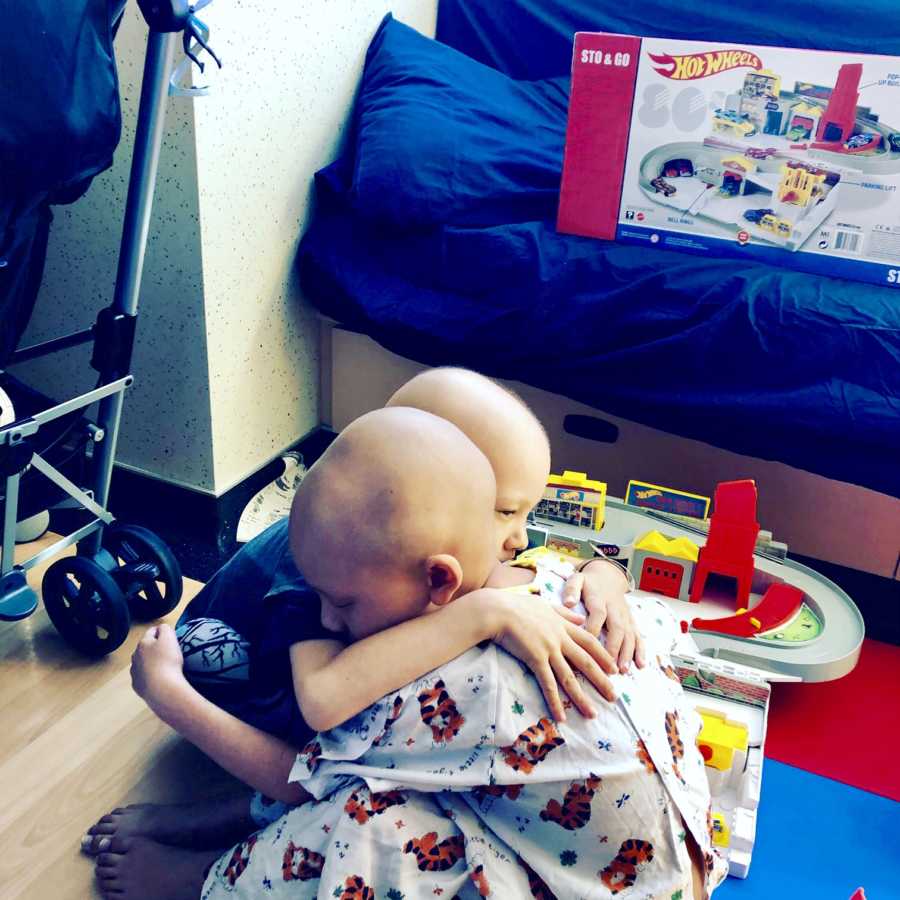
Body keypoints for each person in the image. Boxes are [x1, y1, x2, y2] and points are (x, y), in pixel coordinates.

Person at [86, 418, 725, 896]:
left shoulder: (445, 684)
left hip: (596, 886)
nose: (328, 621)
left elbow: (300, 777)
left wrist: (171, 696)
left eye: (341, 603)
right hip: (676, 853)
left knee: (364, 816)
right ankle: (219, 825)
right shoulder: (557, 584)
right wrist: (606, 572)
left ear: (439, 582)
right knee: (388, 775)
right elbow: (660, 626)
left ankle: (206, 881)